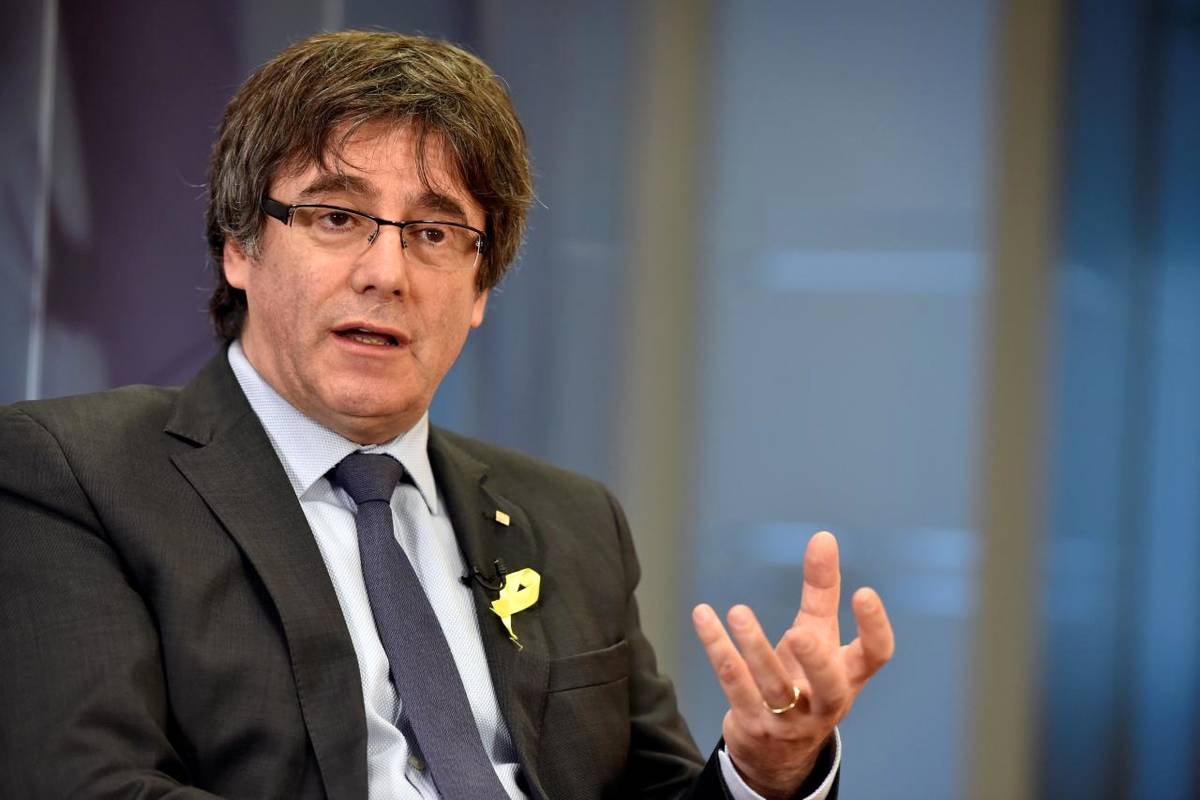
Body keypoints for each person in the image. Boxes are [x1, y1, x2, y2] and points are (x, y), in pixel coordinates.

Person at [0, 30, 893, 799]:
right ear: (240, 246)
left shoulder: (572, 522)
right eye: (336, 216)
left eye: (434, 233)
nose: (386, 273)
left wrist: (769, 768)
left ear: (480, 290)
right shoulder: (74, 475)